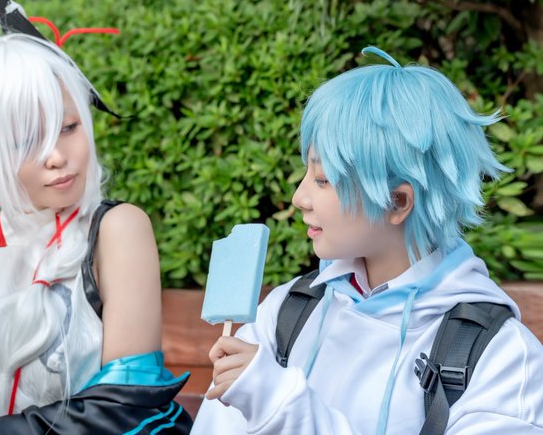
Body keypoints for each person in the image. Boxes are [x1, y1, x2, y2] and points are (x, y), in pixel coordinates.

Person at [192, 47, 543, 434]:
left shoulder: (502, 359)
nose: (299, 198)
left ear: (397, 202)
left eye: (323, 180)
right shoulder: (284, 313)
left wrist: (279, 404)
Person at [0, 0, 192, 434]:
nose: (57, 156)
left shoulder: (117, 231)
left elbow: (124, 407)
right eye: (26, 141)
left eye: (68, 127)